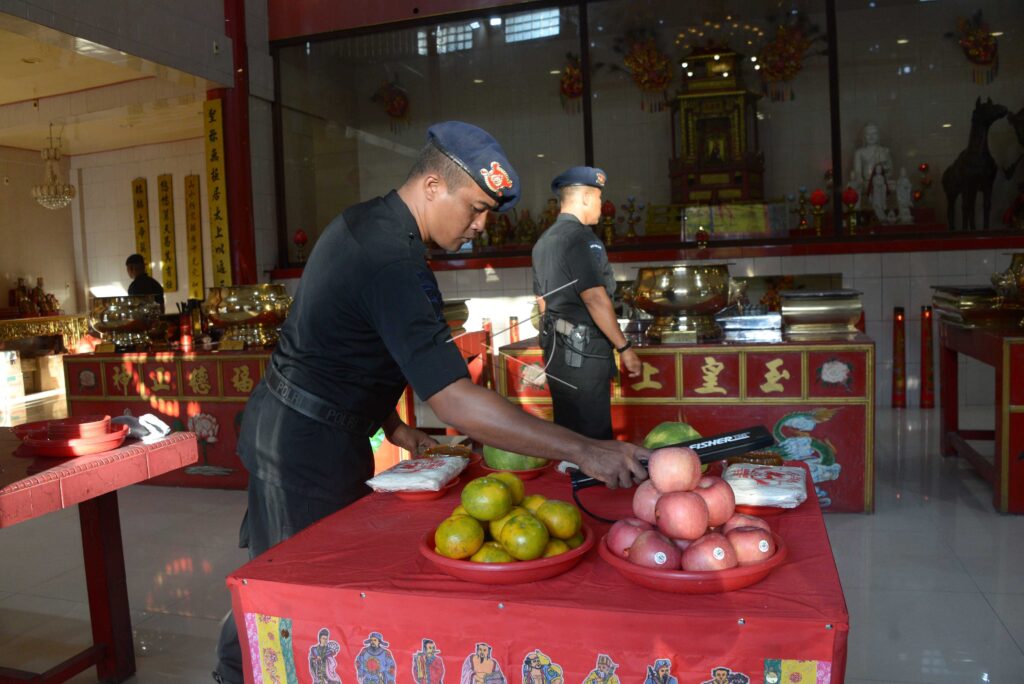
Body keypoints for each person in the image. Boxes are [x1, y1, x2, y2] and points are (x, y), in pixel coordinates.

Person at [212, 124, 649, 683]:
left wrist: (393, 428)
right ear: (433, 183)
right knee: (285, 599)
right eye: (474, 208)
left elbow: (345, 346)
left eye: (488, 212)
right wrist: (587, 451)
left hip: (326, 431)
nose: (480, 225)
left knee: (292, 586)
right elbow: (455, 402)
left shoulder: (375, 227)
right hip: (299, 442)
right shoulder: (387, 256)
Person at [531, 166, 642, 441]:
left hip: (558, 353)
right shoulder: (582, 239)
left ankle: (571, 482)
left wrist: (549, 349)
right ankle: (594, 484)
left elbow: (542, 302)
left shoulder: (543, 243)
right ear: (584, 198)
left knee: (568, 437)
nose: (602, 208)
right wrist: (624, 347)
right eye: (599, 200)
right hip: (585, 353)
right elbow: (594, 297)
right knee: (594, 438)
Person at [852, 123, 893, 194]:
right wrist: (860, 181)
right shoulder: (859, 152)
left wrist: (883, 174)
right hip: (866, 182)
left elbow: (890, 170)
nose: (871, 136)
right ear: (864, 136)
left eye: (874, 134)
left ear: (878, 136)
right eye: (868, 134)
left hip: (882, 182)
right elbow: (857, 172)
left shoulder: (885, 150)